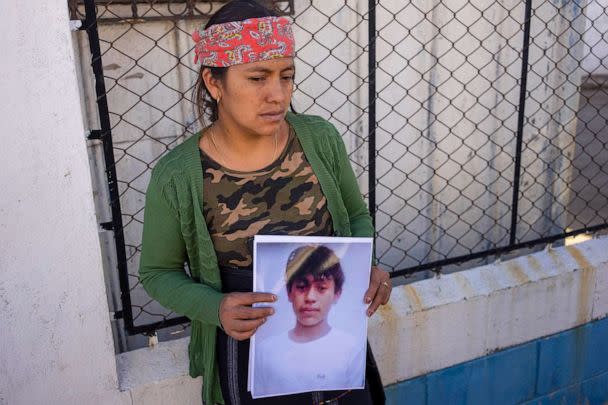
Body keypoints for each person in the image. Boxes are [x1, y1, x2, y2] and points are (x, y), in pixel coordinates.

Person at [138, 0, 392, 404]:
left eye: (286, 76)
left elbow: (357, 217)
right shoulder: (179, 176)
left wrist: (364, 265)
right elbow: (157, 272)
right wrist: (215, 306)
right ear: (213, 82)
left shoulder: (319, 141)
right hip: (251, 356)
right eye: (257, 78)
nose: (277, 95)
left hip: (336, 354)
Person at [253, 245, 366, 398]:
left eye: (321, 288)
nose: (310, 297)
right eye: (301, 286)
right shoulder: (265, 351)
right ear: (289, 292)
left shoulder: (352, 349)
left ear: (337, 293)